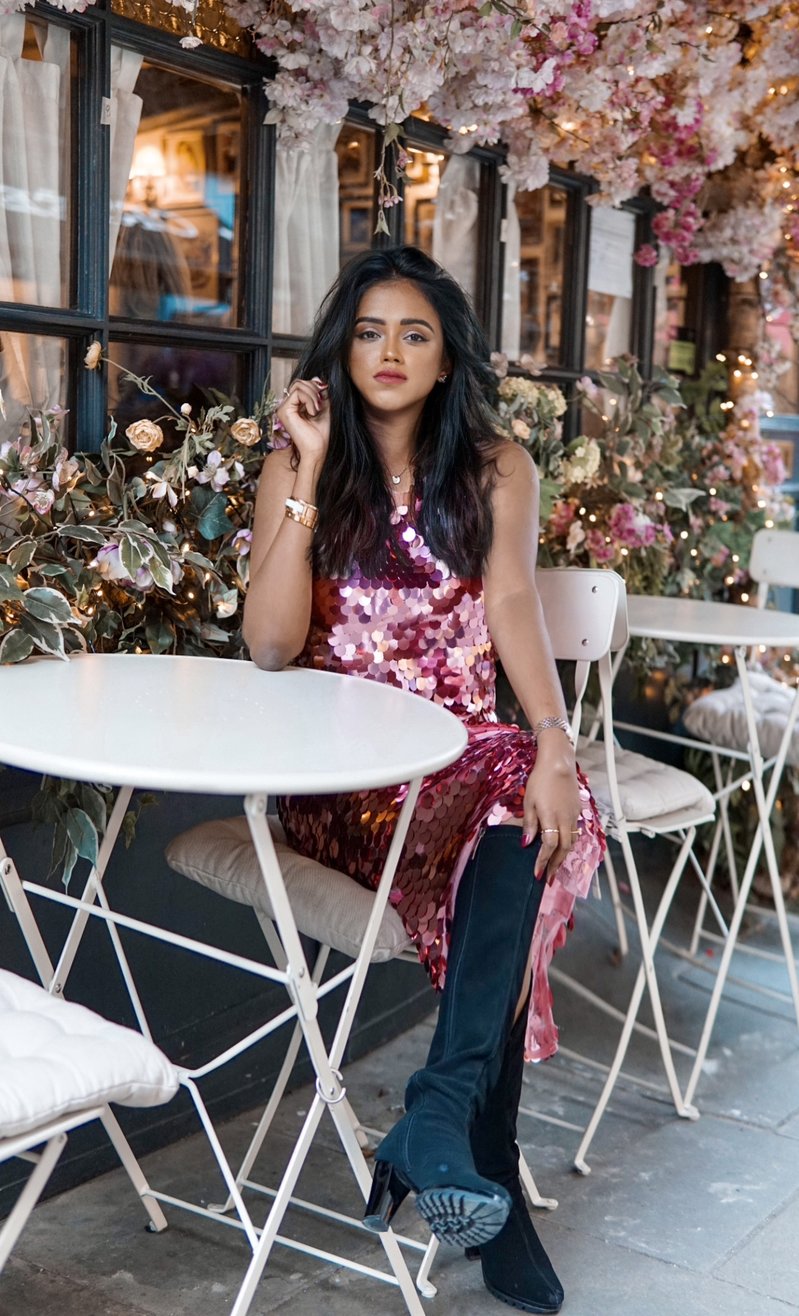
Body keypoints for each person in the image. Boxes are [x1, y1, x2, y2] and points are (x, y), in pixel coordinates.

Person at [242, 245, 604, 1315]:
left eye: (412, 333)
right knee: (518, 851)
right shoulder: (297, 460)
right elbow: (267, 647)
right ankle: (472, 1150)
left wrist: (551, 739)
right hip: (337, 783)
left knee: (538, 809)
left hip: (453, 767)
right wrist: (303, 472)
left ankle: (441, 1114)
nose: (388, 352)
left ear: (447, 358)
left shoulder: (495, 466)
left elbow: (510, 609)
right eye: (367, 332)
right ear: (339, 351)